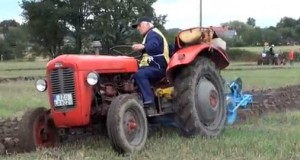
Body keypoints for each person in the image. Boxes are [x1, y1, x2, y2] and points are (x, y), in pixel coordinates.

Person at [131, 16, 170, 115]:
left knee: (140, 75)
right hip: (152, 66)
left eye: (139, 25)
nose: (138, 28)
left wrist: (143, 46)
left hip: (159, 67)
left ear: (148, 24)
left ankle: (149, 102)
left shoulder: (153, 34)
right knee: (132, 75)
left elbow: (153, 46)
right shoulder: (149, 35)